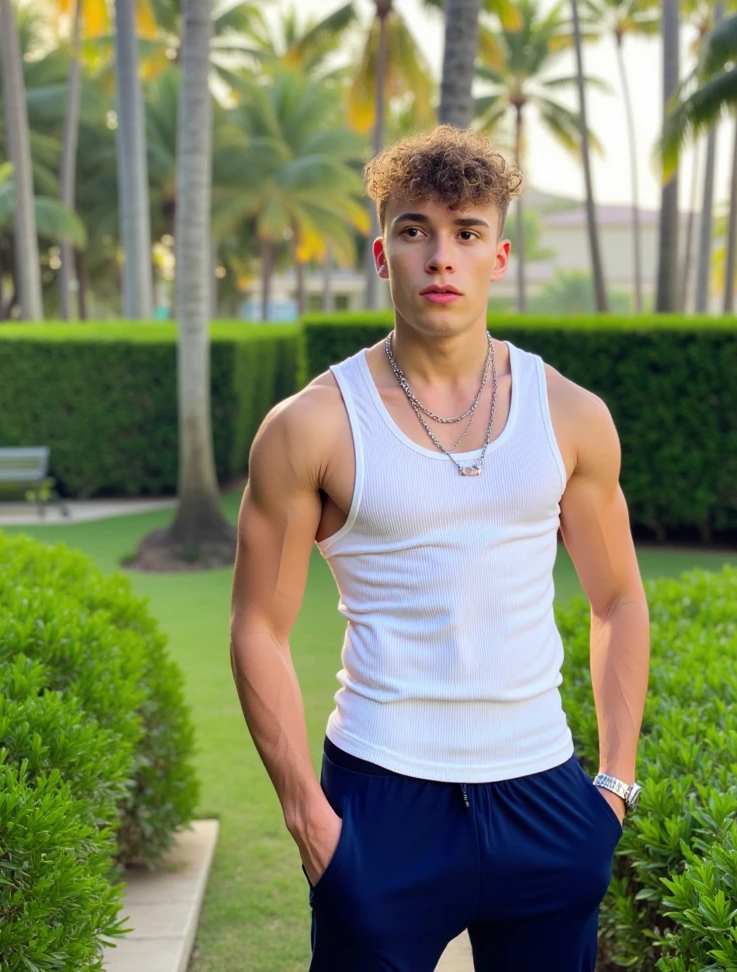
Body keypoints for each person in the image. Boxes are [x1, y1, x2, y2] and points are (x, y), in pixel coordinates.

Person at [229, 125, 650, 972]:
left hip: (544, 796)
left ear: (500, 256)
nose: (441, 257)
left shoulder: (572, 415)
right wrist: (308, 816)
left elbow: (617, 599)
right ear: (383, 254)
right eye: (415, 230)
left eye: (467, 232)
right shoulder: (311, 426)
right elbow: (257, 629)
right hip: (382, 796)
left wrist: (613, 786)